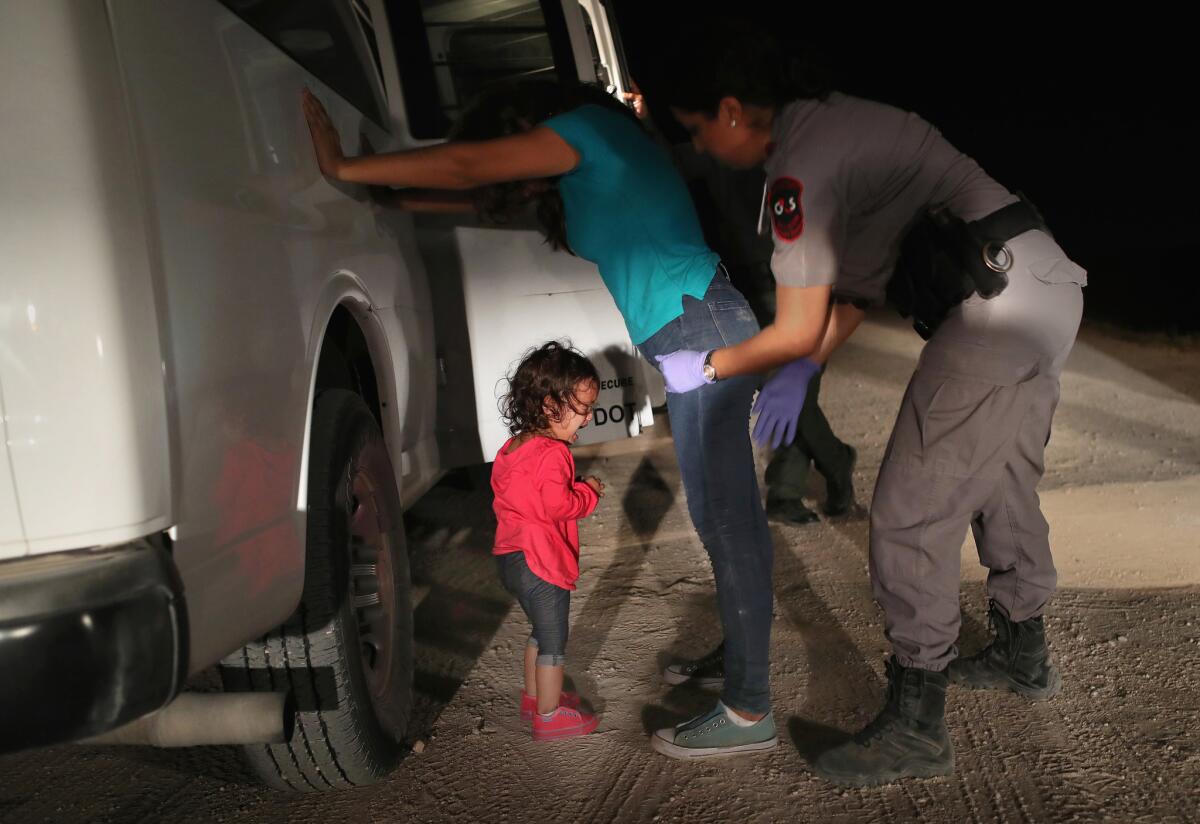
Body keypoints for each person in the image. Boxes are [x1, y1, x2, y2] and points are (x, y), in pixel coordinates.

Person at [656, 21, 1085, 784]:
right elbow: (851, 290)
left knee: (910, 510)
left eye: (694, 131)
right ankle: (1025, 653)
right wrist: (805, 366)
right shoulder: (840, 122)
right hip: (1046, 289)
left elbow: (794, 320)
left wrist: (713, 364)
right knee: (1003, 481)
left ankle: (917, 725)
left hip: (993, 307)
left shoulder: (800, 162)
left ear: (728, 110)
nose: (700, 150)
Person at [303, 81, 779, 757]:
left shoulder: (589, 129)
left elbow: (471, 167)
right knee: (724, 518)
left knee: (728, 520)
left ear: (525, 118)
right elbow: (476, 193)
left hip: (702, 327)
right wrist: (387, 194)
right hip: (691, 330)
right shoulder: (588, 171)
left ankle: (748, 705)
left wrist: (344, 167)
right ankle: (742, 662)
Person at [491, 342, 604, 740]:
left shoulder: (512, 447)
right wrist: (587, 491)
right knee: (554, 640)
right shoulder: (553, 454)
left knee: (539, 630)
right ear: (549, 405)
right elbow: (559, 506)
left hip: (510, 557)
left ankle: (533, 698)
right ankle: (549, 715)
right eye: (583, 408)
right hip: (541, 562)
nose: (587, 418)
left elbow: (524, 496)